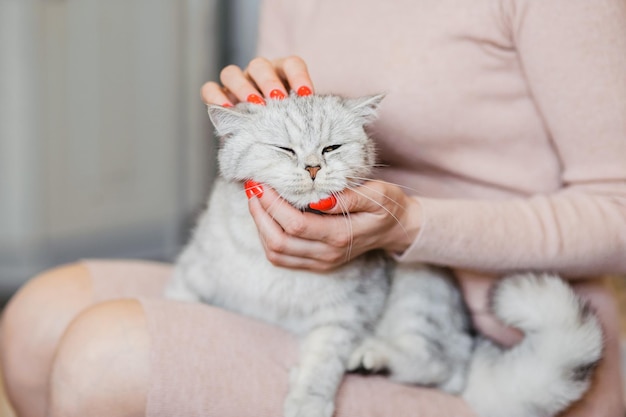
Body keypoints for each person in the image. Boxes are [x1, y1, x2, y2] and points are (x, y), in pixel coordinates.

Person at [2, 0, 625, 416]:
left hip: (477, 326)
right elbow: (287, 116)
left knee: (105, 359)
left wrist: (411, 225)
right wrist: (251, 124)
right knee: (34, 320)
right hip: (286, 279)